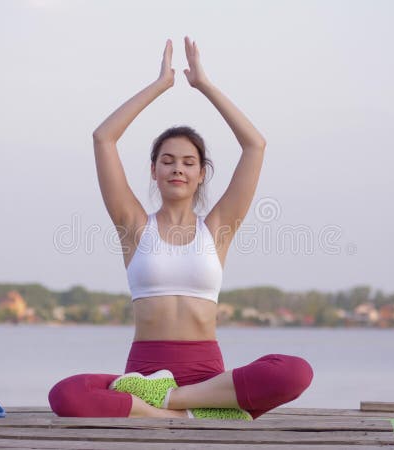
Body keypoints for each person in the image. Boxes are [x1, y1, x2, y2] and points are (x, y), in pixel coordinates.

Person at [48, 37, 313, 420]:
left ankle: (170, 404)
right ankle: (182, 415)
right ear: (154, 171)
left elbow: (255, 145)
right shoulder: (134, 225)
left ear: (201, 174)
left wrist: (203, 84)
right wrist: (160, 85)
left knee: (295, 372)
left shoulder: (218, 228)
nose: (178, 169)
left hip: (207, 377)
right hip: (143, 374)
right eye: (167, 161)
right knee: (66, 395)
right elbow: (103, 138)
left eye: (189, 162)